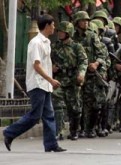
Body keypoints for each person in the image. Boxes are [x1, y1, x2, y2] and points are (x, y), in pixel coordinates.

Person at [3, 14, 66, 152]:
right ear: (47, 26)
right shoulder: (36, 42)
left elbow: (42, 64)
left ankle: (51, 144)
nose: (54, 27)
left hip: (45, 84)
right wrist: (51, 79)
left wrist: (51, 73)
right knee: (35, 116)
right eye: (53, 25)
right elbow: (36, 66)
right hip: (38, 84)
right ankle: (9, 132)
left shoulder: (46, 42)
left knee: (49, 114)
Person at [51, 21, 88, 140]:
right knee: (58, 105)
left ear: (69, 33)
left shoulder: (77, 47)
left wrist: (81, 74)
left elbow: (83, 61)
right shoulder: (55, 46)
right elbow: (47, 59)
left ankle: (74, 131)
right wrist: (51, 67)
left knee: (75, 108)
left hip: (73, 80)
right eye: (59, 31)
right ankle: (59, 131)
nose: (60, 34)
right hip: (59, 79)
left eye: (63, 32)